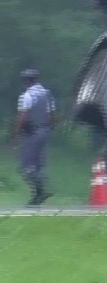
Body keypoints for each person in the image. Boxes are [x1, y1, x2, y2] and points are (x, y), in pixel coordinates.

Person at [11, 68, 55, 205]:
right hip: (44, 131)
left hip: (31, 133)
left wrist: (16, 134)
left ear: (26, 81)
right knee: (37, 165)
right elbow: (52, 115)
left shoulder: (26, 96)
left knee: (26, 167)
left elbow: (22, 117)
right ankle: (37, 196)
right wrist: (48, 129)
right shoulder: (47, 94)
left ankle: (43, 190)